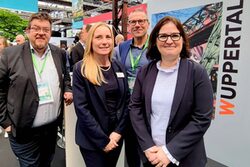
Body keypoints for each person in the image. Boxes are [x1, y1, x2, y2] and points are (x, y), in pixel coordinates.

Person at [129, 16, 213, 167]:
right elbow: (135, 108)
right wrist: (147, 146)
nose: (169, 41)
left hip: (185, 158)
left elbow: (202, 118)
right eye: (163, 36)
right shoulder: (145, 72)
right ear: (155, 40)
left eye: (175, 35)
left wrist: (169, 152)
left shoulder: (197, 72)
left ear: (182, 39)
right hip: (152, 155)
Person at [0, 12, 73, 167]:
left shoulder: (59, 53)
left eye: (46, 29)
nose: (41, 32)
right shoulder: (10, 54)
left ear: (50, 32)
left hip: (51, 129)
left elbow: (65, 76)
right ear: (28, 31)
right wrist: (5, 122)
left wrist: (68, 88)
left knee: (47, 162)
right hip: (23, 129)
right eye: (36, 28)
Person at [73, 22, 130, 167]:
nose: (104, 42)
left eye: (108, 37)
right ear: (91, 40)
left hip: (115, 136)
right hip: (93, 139)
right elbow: (82, 109)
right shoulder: (81, 69)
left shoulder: (118, 66)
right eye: (99, 37)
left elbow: (126, 102)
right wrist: (103, 140)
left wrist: (118, 132)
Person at [116, 8, 150, 167]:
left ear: (148, 24)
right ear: (128, 26)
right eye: (133, 22)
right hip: (128, 107)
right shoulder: (123, 47)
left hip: (149, 108)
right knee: (131, 150)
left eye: (141, 21)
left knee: (149, 151)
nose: (137, 25)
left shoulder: (156, 47)